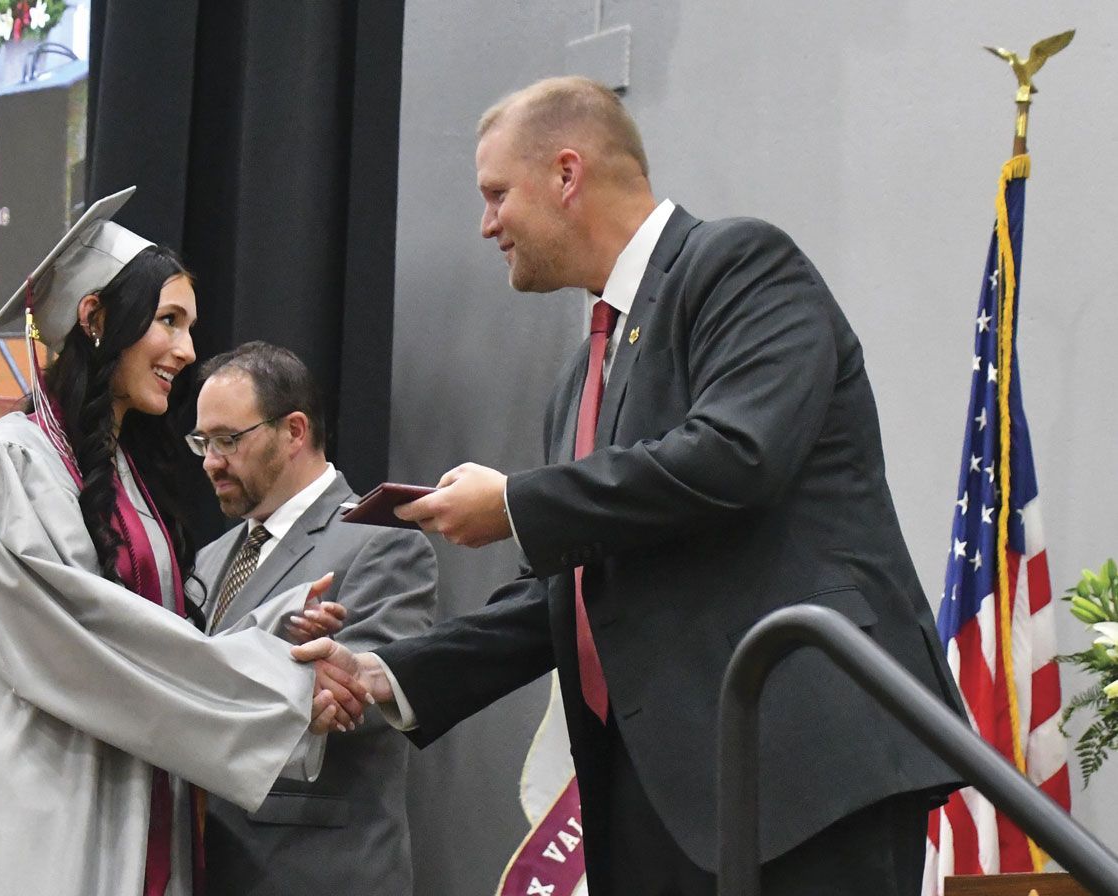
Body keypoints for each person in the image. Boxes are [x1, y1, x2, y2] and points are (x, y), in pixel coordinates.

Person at [297, 76, 965, 896]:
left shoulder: (738, 264)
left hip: (801, 772)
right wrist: (390, 672)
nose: (486, 224)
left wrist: (515, 503)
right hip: (656, 802)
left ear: (567, 174)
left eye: (497, 194)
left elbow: (735, 456)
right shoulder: (581, 376)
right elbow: (570, 593)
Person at [0, 189, 367, 896]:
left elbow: (146, 631)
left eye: (189, 326)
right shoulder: (14, 461)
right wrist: (272, 682)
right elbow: (79, 635)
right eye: (168, 321)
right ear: (94, 317)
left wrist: (276, 635)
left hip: (119, 784)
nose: (186, 350)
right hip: (40, 802)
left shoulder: (122, 475)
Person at [188, 341, 436, 896]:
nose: (210, 460)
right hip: (210, 866)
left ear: (294, 431)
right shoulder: (211, 557)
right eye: (202, 442)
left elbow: (374, 698)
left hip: (317, 874)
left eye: (228, 439)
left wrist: (305, 669)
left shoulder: (381, 542)